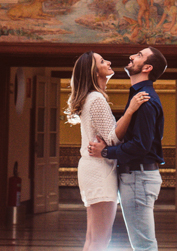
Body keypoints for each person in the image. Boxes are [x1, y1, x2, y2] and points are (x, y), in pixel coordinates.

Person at [65, 51, 151, 251]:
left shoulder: (91, 98)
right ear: (94, 72)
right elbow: (112, 138)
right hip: (99, 171)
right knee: (101, 240)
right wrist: (130, 110)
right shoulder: (96, 99)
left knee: (93, 238)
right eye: (102, 61)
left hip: (91, 169)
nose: (109, 62)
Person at [88, 46, 168, 251]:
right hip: (137, 177)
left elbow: (141, 146)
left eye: (139, 55)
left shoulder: (145, 99)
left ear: (147, 67)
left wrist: (105, 152)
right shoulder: (139, 96)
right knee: (142, 243)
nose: (131, 56)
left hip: (138, 177)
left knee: (143, 245)